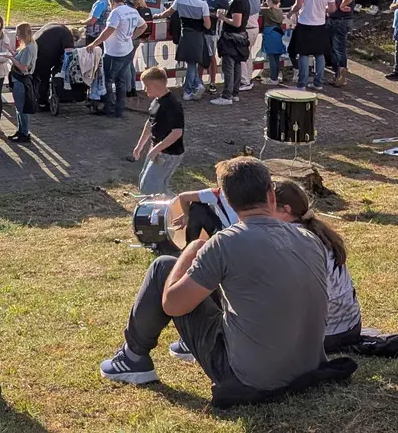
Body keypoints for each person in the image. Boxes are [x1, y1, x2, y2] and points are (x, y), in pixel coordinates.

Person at [99, 157, 328, 395]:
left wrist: (191, 251)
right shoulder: (309, 238)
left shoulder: (226, 243)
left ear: (227, 200)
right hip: (308, 368)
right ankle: (185, 346)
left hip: (253, 379)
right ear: (271, 194)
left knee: (163, 267)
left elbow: (173, 304)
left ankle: (133, 358)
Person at [271, 180, 361, 351]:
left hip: (328, 334)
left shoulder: (294, 239)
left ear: (286, 210)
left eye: (267, 208)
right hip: (350, 326)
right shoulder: (315, 230)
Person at [89, 0, 145, 116]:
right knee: (121, 80)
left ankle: (109, 107)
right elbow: (143, 26)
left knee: (108, 80)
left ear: (112, 2)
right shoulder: (132, 11)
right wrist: (131, 37)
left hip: (114, 52)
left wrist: (94, 44)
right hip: (127, 50)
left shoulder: (116, 13)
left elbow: (108, 31)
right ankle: (120, 108)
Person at [133, 67, 184, 194]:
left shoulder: (173, 105)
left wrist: (156, 149)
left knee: (152, 188)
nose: (144, 90)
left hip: (168, 154)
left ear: (155, 85)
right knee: (145, 184)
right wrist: (140, 146)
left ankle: (177, 207)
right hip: (157, 149)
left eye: (146, 86)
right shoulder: (156, 102)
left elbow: (177, 132)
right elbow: (150, 123)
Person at [286, 0, 333, 91]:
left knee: (303, 54)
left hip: (305, 23)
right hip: (320, 23)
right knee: (319, 54)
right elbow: (333, 8)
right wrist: (323, 9)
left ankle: (302, 84)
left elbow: (298, 5)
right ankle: (318, 83)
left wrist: (290, 13)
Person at [161, 0, 210, 100]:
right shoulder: (202, 4)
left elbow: (168, 12)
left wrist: (157, 16)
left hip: (185, 34)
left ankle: (193, 86)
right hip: (198, 35)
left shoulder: (179, 0)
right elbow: (208, 25)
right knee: (193, 63)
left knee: (191, 63)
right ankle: (193, 87)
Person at [210, 0, 251, 104]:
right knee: (237, 66)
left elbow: (236, 22)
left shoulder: (237, 2)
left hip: (232, 38)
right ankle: (234, 93)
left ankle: (226, 96)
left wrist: (223, 18)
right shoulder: (245, 0)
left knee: (229, 67)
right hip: (240, 37)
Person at [324, 0, 356, 87]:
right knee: (332, 48)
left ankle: (341, 71)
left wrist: (343, 5)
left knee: (338, 48)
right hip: (333, 20)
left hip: (340, 21)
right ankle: (337, 72)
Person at [7, 22, 37, 143]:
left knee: (22, 109)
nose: (17, 36)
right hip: (17, 79)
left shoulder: (29, 48)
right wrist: (9, 50)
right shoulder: (27, 45)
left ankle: (25, 132)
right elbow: (19, 57)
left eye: (18, 33)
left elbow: (23, 67)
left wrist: (11, 59)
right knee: (19, 107)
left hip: (21, 80)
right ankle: (20, 130)